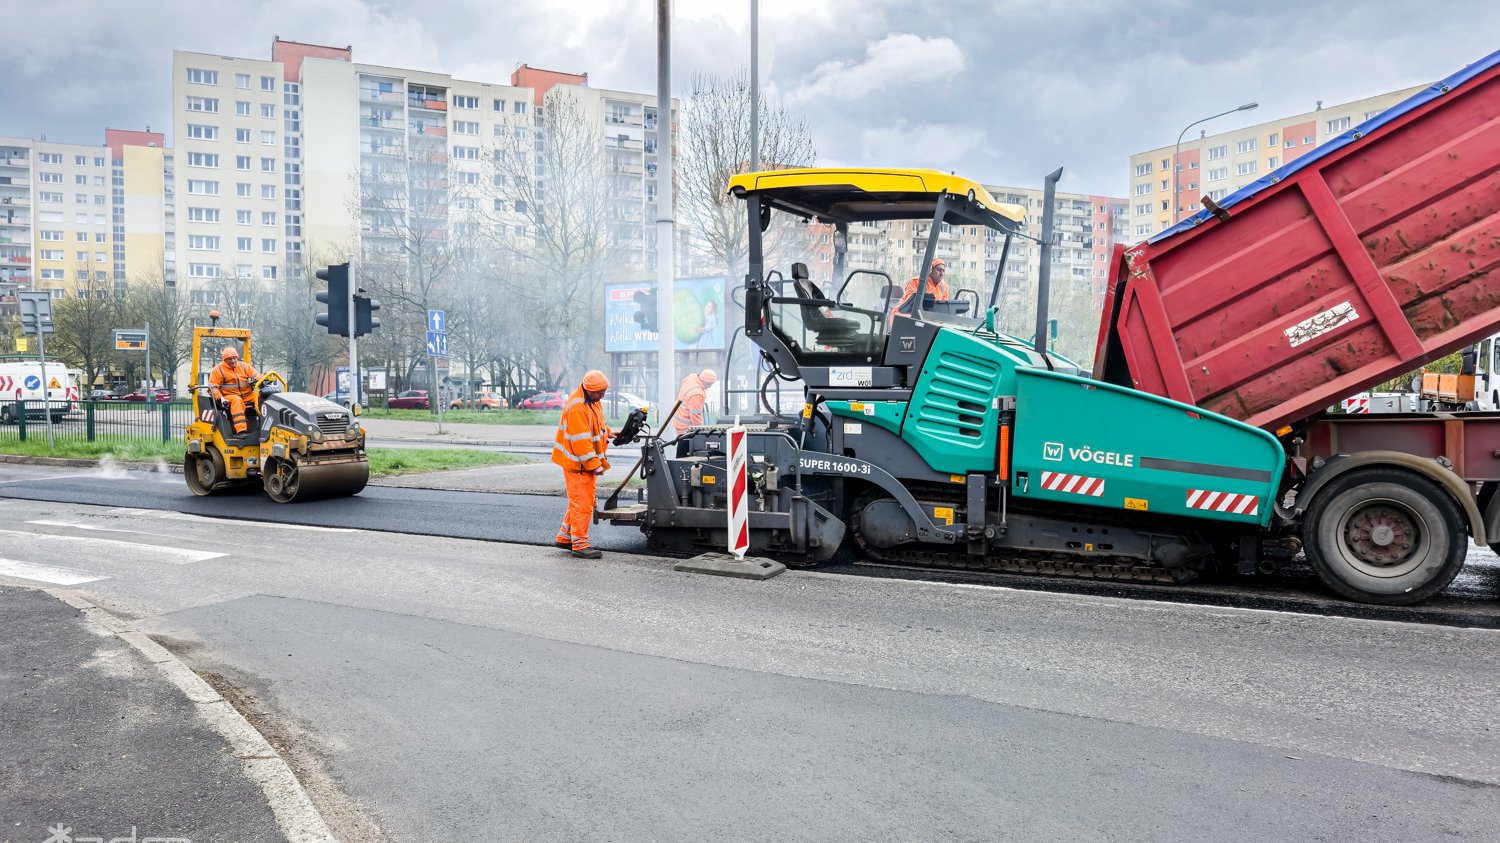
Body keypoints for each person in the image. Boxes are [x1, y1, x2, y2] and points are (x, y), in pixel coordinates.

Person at [553, 370, 612, 559]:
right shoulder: (577, 407)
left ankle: (565, 538)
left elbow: (594, 424)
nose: (603, 395)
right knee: (583, 505)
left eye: (604, 391)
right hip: (578, 464)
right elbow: (581, 442)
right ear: (589, 389)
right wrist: (594, 464)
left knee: (577, 501)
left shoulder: (591, 400)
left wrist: (608, 432)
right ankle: (580, 544)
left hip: (580, 463)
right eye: (600, 392)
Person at [208, 345, 260, 435]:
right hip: (229, 396)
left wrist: (261, 380)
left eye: (234, 358)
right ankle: (241, 430)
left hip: (247, 395)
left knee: (262, 398)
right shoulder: (218, 370)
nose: (233, 361)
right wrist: (220, 398)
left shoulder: (244, 366)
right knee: (237, 400)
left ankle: (266, 427)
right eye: (229, 359)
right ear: (224, 360)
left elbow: (257, 375)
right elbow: (213, 388)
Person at [891, 257, 951, 323]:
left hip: (928, 316)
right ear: (931, 270)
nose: (942, 273)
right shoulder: (917, 282)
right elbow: (910, 304)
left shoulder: (944, 286)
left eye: (943, 271)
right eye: (939, 270)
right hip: (903, 312)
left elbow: (944, 308)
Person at [672, 369, 718, 436]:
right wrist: (702, 432)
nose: (709, 387)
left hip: (679, 420)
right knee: (686, 445)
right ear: (704, 381)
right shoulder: (697, 394)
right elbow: (695, 417)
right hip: (686, 428)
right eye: (709, 384)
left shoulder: (692, 377)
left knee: (682, 443)